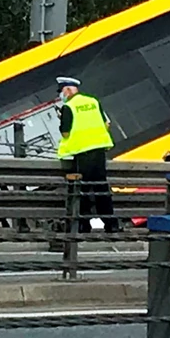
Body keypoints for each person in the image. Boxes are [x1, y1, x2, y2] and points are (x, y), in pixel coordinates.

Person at [55, 77, 119, 233]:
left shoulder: (68, 107)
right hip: (99, 152)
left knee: (82, 190)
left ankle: (84, 225)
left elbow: (65, 132)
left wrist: (62, 119)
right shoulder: (93, 102)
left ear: (68, 90)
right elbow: (106, 124)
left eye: (62, 92)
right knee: (101, 188)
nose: (61, 96)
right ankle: (111, 224)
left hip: (82, 154)